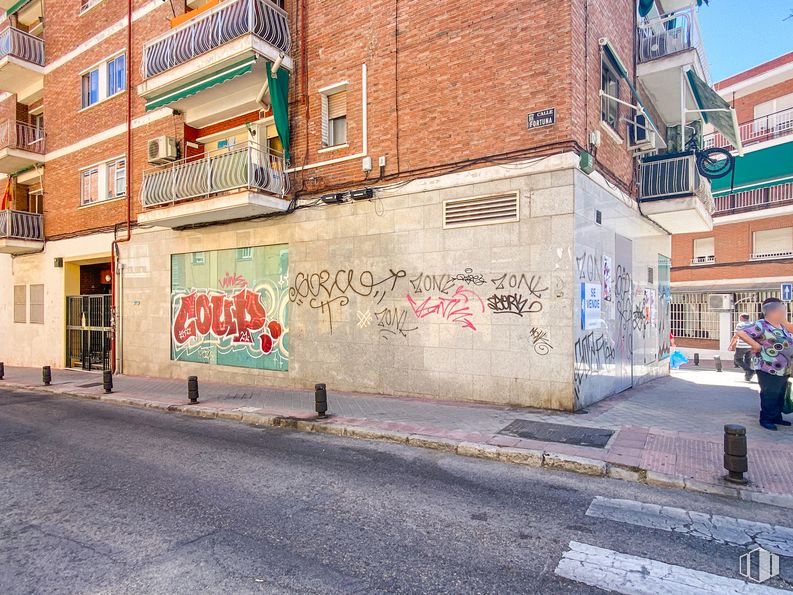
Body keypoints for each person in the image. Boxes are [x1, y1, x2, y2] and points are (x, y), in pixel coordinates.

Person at [736, 298, 793, 431]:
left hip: (783, 368)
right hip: (767, 367)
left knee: (780, 393)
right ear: (771, 312)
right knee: (770, 393)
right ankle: (766, 419)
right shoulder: (762, 324)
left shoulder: (782, 325)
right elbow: (741, 333)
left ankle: (777, 417)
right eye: (781, 311)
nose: (783, 313)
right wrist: (756, 345)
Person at [728, 313, 755, 381]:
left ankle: (750, 371)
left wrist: (731, 345)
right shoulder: (753, 324)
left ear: (742, 318)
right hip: (751, 345)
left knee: (737, 359)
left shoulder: (740, 325)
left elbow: (736, 336)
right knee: (747, 360)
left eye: (740, 317)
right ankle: (748, 376)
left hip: (742, 345)